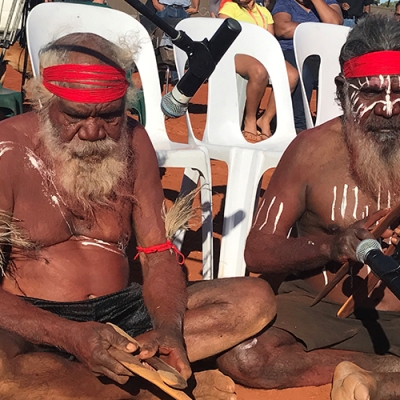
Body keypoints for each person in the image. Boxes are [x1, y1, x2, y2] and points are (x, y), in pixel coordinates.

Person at [0, 32, 277, 399]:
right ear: (46, 102)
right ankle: (141, 379)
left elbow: (157, 253)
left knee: (255, 299)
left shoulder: (134, 142)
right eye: (76, 116)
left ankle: (105, 376)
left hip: (126, 315)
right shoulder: (7, 150)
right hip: (37, 320)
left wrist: (168, 327)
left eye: (111, 116)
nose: (94, 131)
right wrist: (70, 335)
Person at [215, 14, 400, 399]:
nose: (387, 108)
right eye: (369, 93)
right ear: (342, 88)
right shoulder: (309, 151)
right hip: (322, 313)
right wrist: (329, 247)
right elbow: (258, 250)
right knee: (246, 356)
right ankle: (384, 370)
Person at [219, 0, 299, 141]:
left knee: (291, 75)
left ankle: (265, 119)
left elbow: (269, 39)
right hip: (237, 52)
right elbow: (224, 35)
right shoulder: (229, 7)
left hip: (261, 53)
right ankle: (250, 119)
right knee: (259, 71)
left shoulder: (264, 12)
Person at [272, 0, 343, 132]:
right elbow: (283, 29)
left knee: (336, 72)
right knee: (303, 70)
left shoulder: (329, 3)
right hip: (292, 49)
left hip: (321, 53)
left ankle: (328, 123)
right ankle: (298, 124)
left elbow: (335, 24)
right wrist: (319, 28)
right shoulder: (285, 3)